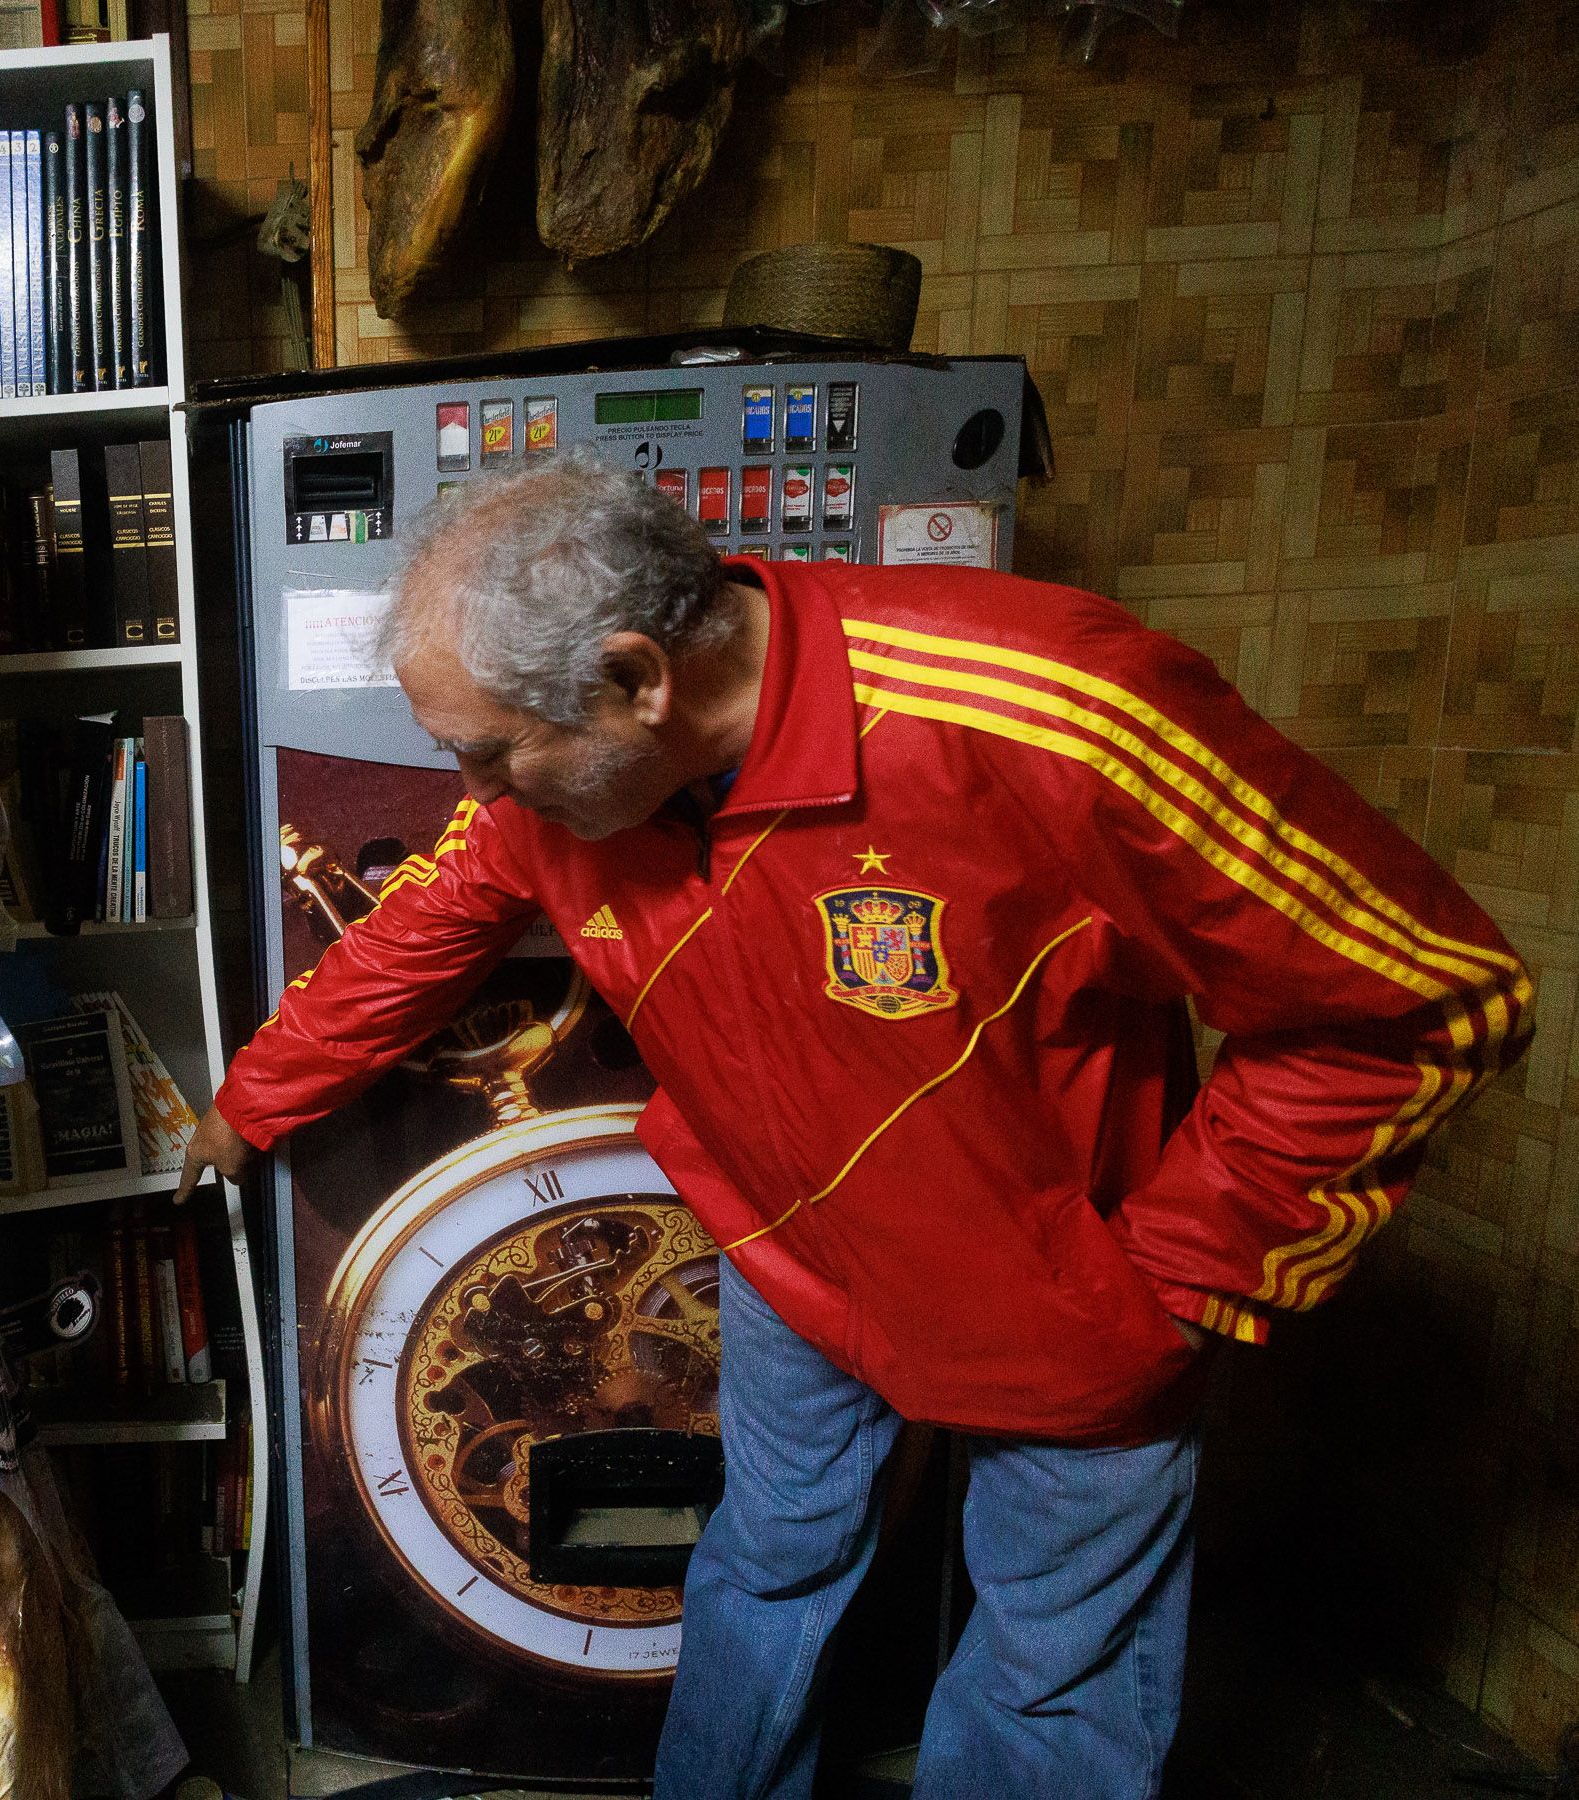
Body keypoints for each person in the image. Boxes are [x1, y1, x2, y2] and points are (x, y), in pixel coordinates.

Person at [172, 454, 1531, 1800]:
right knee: (762, 1565)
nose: (477, 794)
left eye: (488, 755)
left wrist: (1180, 1282)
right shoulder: (563, 791)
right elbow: (421, 929)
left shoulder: (1054, 711)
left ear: (639, 679)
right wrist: (252, 1103)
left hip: (1058, 1292)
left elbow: (1421, 1001)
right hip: (790, 1260)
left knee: (1048, 1669)